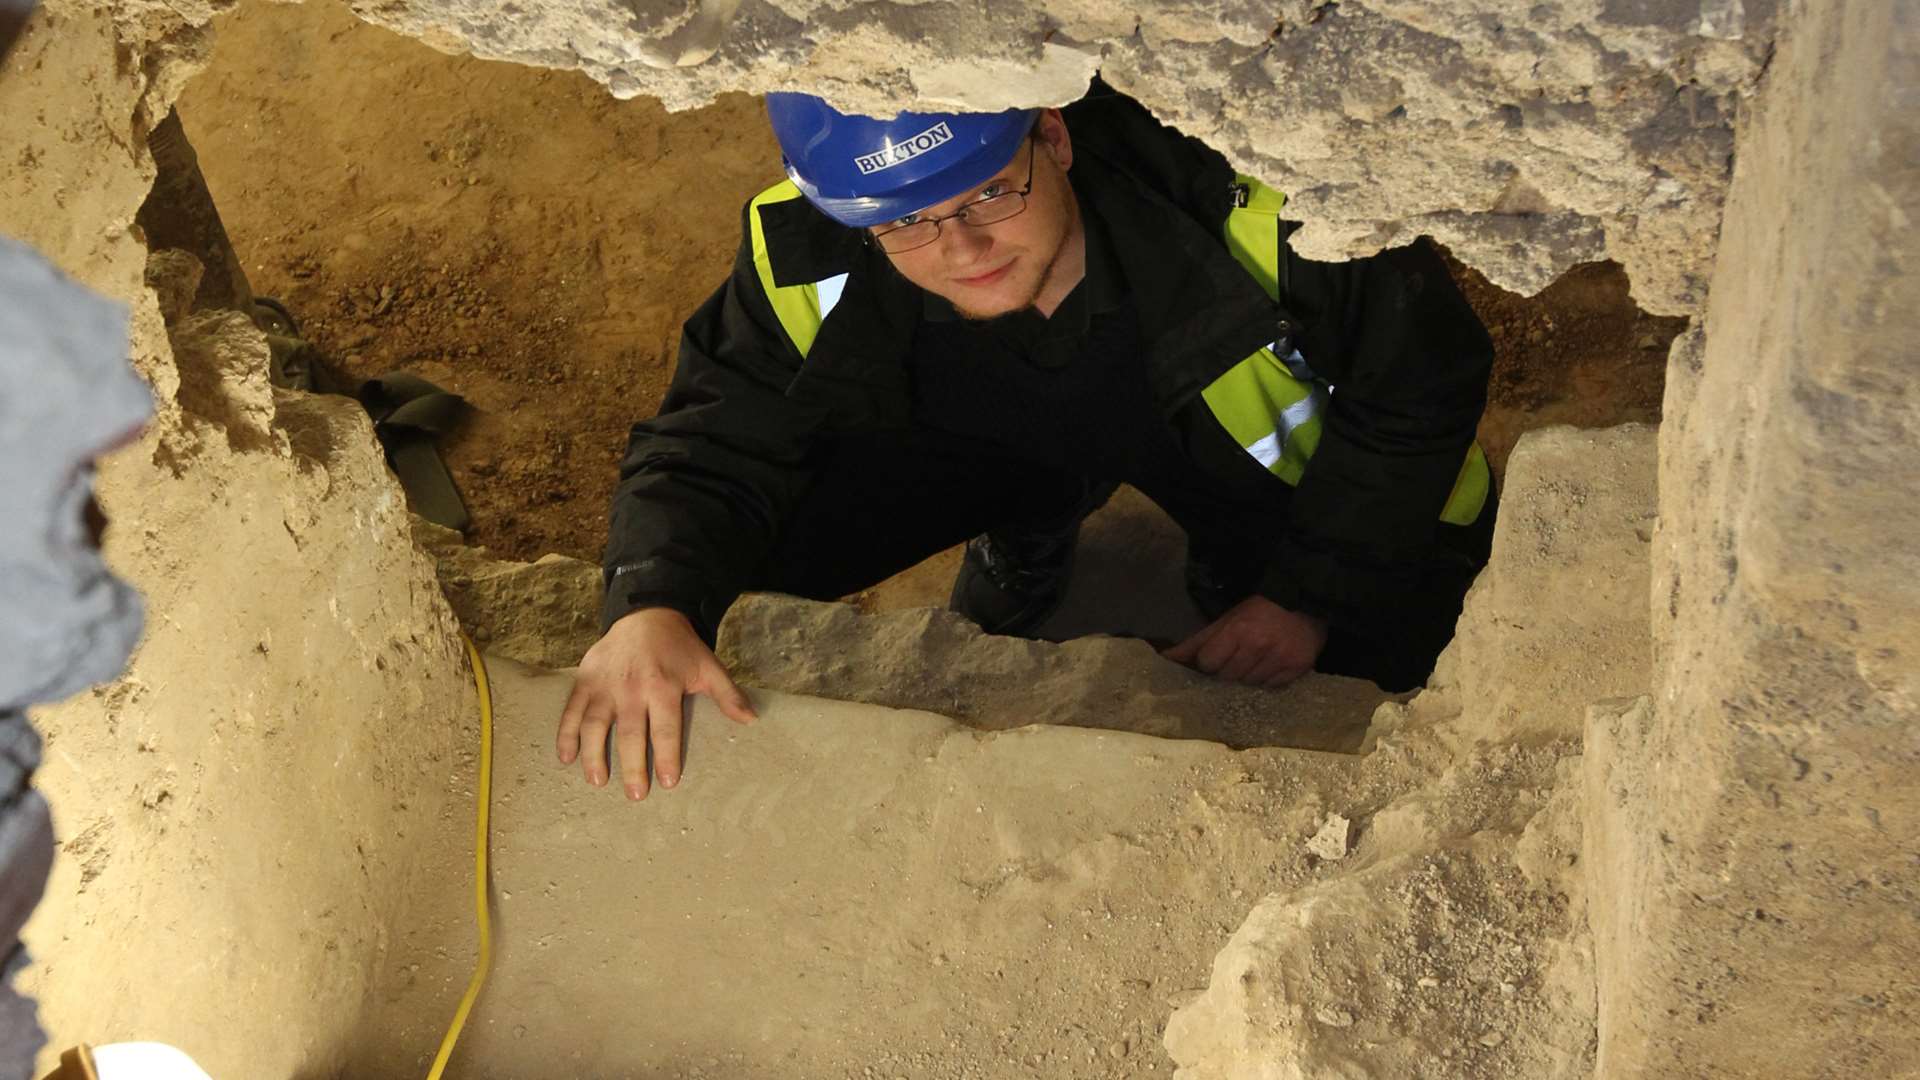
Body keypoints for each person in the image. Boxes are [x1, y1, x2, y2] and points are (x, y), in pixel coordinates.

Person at [557, 82, 1497, 800]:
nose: (961, 248)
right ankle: (1035, 511)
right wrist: (653, 605)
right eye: (906, 222)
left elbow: (1420, 386)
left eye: (988, 193)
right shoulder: (810, 247)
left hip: (1215, 448)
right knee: (752, 537)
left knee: (1390, 642)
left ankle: (1234, 558)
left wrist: (1304, 595)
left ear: (1052, 134)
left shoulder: (1258, 206)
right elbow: (711, 439)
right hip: (989, 435)